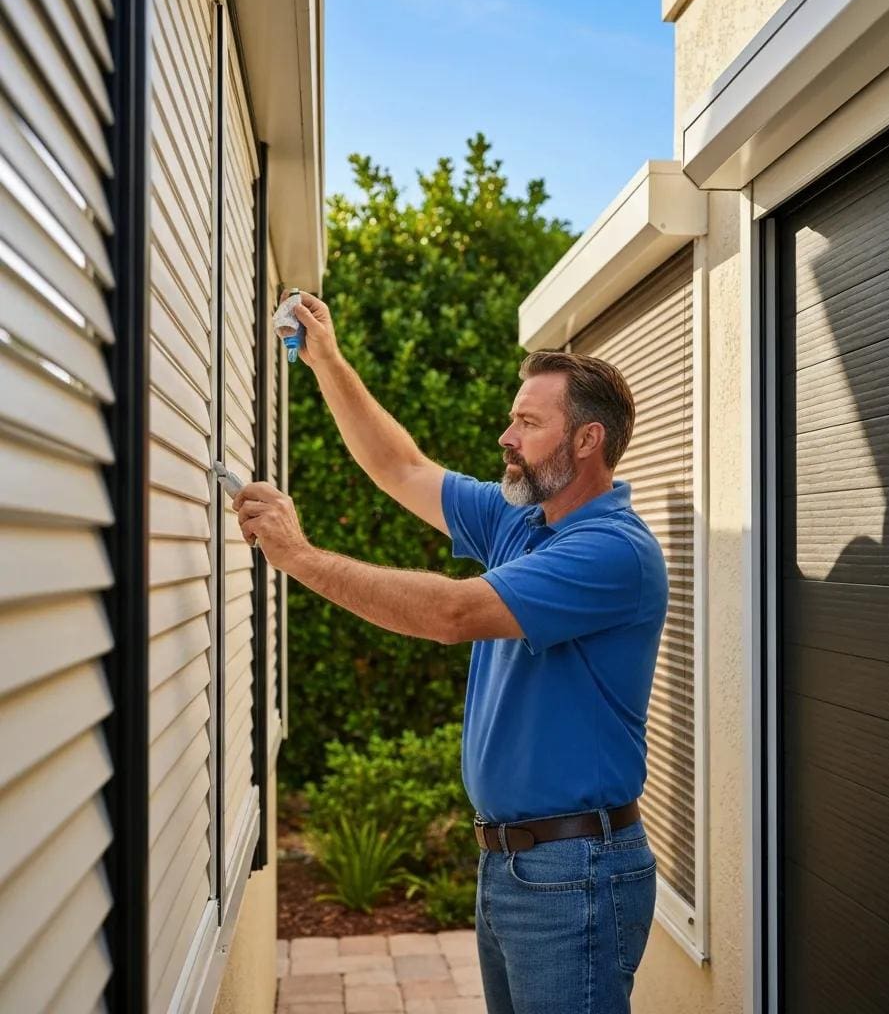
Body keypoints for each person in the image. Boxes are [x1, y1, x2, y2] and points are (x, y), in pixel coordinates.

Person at [234, 292, 669, 1013]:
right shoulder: (521, 520)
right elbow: (400, 468)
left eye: (528, 422)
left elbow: (451, 612)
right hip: (517, 865)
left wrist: (300, 558)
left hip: (575, 870)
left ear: (587, 441)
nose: (506, 435)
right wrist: (328, 362)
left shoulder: (611, 551)